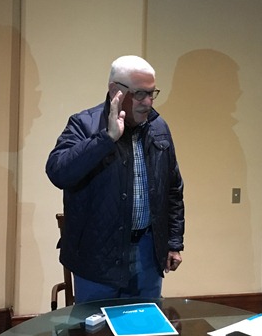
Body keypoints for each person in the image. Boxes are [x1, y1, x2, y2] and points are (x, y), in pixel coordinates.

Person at [46, 55, 185, 303]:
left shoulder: (159, 127)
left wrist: (174, 243)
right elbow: (58, 172)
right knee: (94, 327)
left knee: (144, 325)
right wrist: (106, 138)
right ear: (115, 91)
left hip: (148, 254)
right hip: (97, 258)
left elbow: (173, 189)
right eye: (140, 94)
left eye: (152, 93)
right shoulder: (84, 124)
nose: (148, 102)